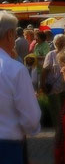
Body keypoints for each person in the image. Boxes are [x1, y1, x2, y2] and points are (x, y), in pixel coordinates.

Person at [0, 12, 41, 164]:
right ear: (10, 35)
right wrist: (31, 130)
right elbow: (31, 118)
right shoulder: (15, 69)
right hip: (7, 147)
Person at [40, 34, 65, 135]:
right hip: (54, 88)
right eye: (58, 42)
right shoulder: (51, 54)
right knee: (56, 112)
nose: (60, 43)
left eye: (62, 41)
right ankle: (59, 133)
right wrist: (42, 84)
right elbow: (44, 71)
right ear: (55, 43)